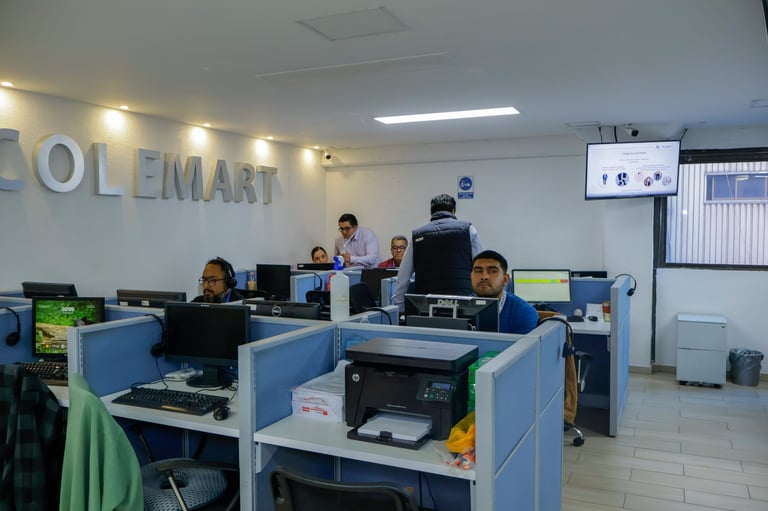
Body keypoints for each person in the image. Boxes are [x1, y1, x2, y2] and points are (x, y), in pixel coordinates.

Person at [393, 194, 483, 308]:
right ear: (453, 211)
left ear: (431, 213)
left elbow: (403, 276)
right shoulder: (468, 230)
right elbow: (481, 266)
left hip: (426, 303)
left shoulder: (417, 235)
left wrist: (399, 304)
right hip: (464, 300)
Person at [471, 250, 538, 334]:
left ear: (505, 279)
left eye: (493, 271)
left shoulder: (524, 313)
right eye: (478, 271)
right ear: (470, 277)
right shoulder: (458, 306)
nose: (484, 277)